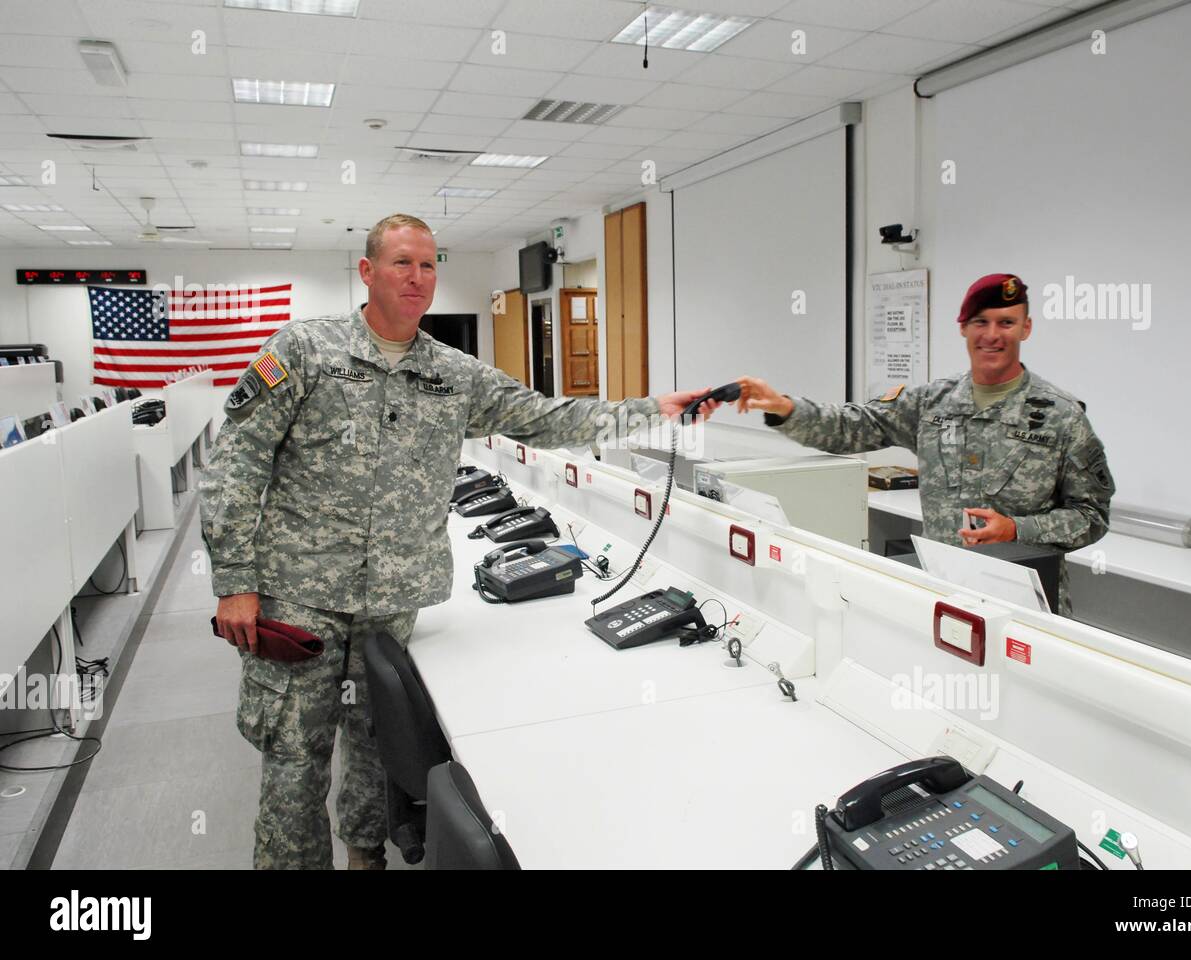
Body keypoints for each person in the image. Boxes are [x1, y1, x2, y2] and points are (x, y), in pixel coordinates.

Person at [200, 214, 719, 869]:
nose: (416, 278)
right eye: (401, 263)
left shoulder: (454, 375)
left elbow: (550, 417)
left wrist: (654, 410)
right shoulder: (304, 352)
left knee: (371, 751)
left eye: (427, 266)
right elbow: (237, 460)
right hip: (298, 600)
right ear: (367, 272)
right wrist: (234, 581)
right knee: (293, 766)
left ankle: (365, 859)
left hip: (390, 602)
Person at [735, 272, 1114, 615]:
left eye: (1006, 323)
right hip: (941, 593)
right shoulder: (931, 403)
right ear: (963, 328)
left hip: (1024, 608)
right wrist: (785, 408)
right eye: (981, 322)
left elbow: (1091, 517)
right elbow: (853, 427)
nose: (992, 335)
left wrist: (1016, 529)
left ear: (1026, 328)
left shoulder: (1061, 416)